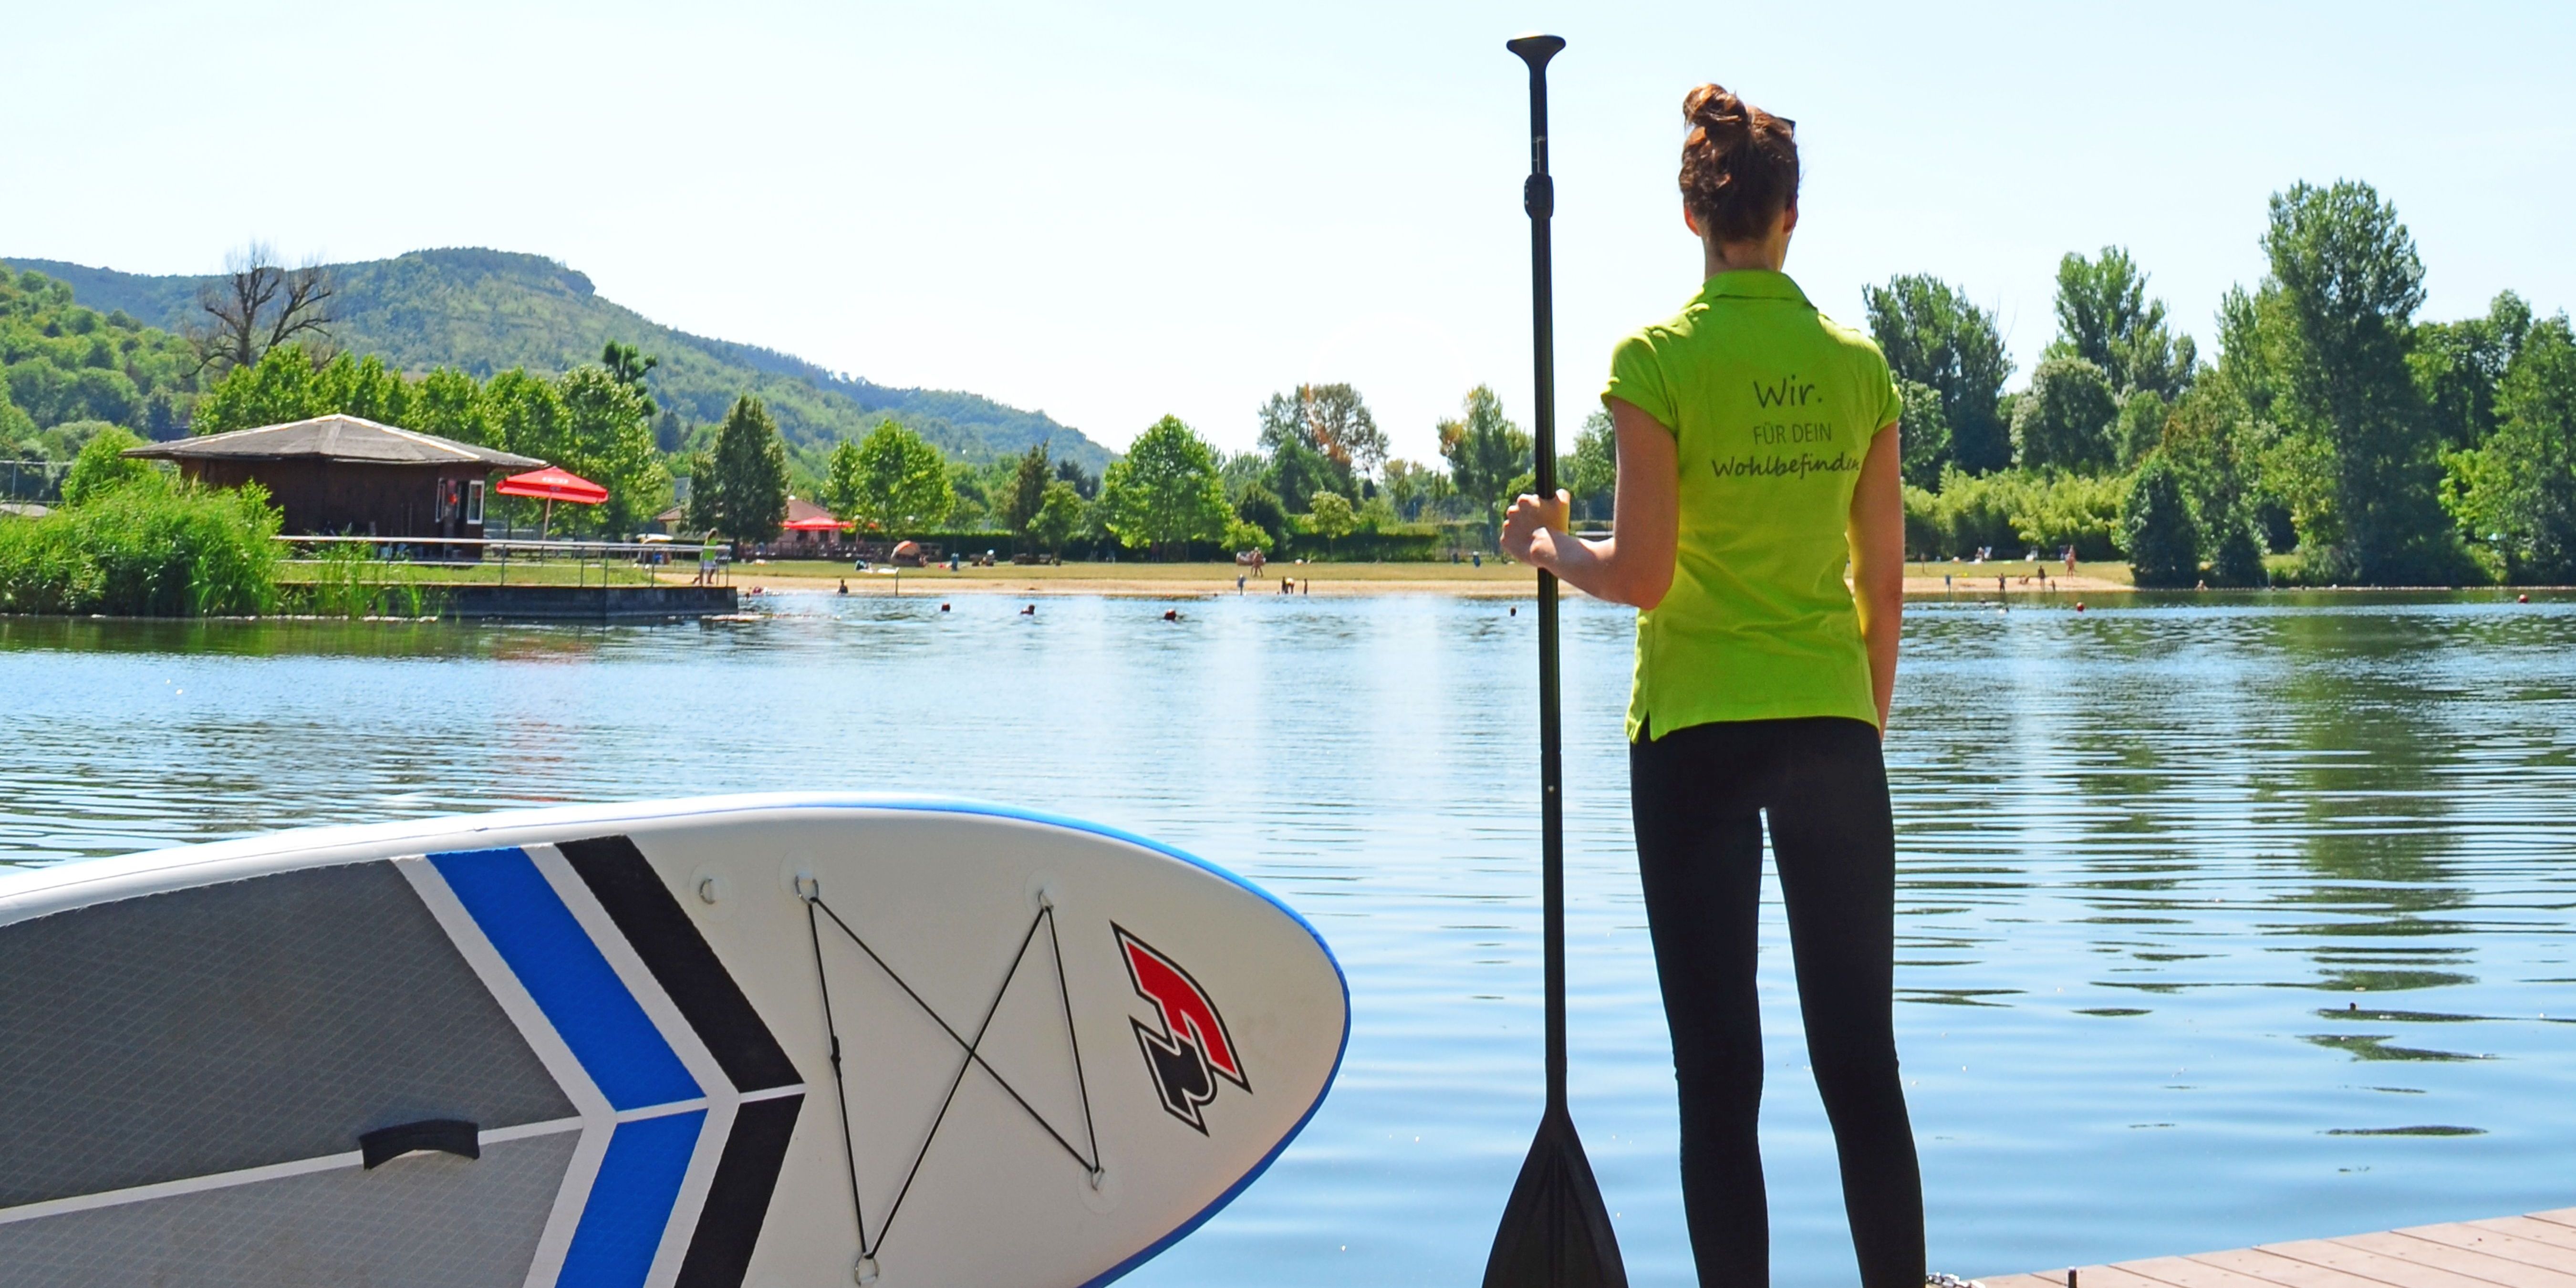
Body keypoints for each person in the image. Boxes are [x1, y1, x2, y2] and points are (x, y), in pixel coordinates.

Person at [1500, 82, 1925, 1288]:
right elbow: (1881, 591)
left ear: (1696, 222)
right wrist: (1856, 728)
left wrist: (1546, 545)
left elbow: (1638, 575)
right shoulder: (1859, 369)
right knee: (1862, 1070)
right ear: (1794, 215)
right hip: (1835, 735)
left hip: (1692, 738)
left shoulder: (1658, 361)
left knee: (1719, 1078)